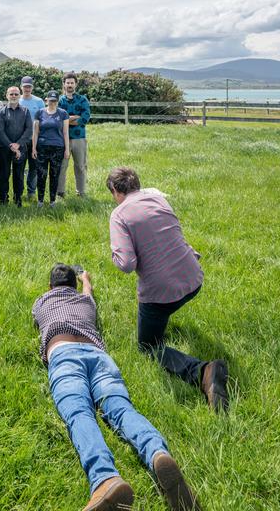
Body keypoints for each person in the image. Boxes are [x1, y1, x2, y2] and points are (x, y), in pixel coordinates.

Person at [32, 264, 200, 511]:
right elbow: (88, 290)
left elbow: (37, 321)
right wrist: (86, 278)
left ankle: (105, 479)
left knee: (80, 414)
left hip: (63, 353)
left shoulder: (42, 302)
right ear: (75, 286)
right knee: (122, 410)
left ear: (50, 287)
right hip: (99, 356)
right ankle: (157, 453)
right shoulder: (86, 302)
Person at [107, 166, 228, 411]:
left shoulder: (119, 215)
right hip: (193, 277)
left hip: (161, 294)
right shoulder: (159, 198)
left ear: (116, 191)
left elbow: (127, 264)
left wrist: (114, 254)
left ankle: (203, 371)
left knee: (148, 347)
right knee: (165, 308)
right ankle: (163, 323)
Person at [0, 86, 32, 206]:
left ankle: (18, 199)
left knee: (19, 175)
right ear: (7, 96)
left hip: (21, 148)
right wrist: (11, 145)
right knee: (4, 174)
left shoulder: (25, 111)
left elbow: (29, 129)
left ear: (20, 95)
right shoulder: (2, 112)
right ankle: (3, 199)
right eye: (11, 94)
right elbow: (0, 131)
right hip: (4, 148)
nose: (14, 96)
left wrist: (18, 144)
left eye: (16, 94)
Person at [32, 89, 70, 207]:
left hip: (57, 148)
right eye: (50, 100)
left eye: (54, 101)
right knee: (41, 174)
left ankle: (52, 201)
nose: (52, 102)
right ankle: (40, 200)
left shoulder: (63, 113)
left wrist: (67, 149)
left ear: (57, 101)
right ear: (46, 100)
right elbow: (36, 132)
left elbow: (65, 133)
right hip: (42, 147)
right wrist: (33, 148)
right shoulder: (39, 113)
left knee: (54, 174)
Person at [57, 72, 91, 198]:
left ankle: (81, 192)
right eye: (68, 82)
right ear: (64, 84)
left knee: (80, 166)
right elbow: (57, 118)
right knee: (62, 166)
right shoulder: (60, 100)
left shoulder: (82, 99)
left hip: (79, 138)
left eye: (72, 82)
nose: (70, 85)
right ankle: (60, 192)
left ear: (76, 84)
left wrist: (67, 120)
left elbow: (85, 117)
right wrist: (73, 118)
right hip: (62, 138)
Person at [19, 76, 45, 199]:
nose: (27, 89)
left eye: (29, 86)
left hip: (36, 140)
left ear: (32, 87)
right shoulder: (17, 100)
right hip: (21, 140)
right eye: (25, 87)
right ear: (21, 87)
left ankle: (31, 192)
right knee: (20, 166)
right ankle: (19, 191)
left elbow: (43, 120)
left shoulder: (39, 101)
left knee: (34, 167)